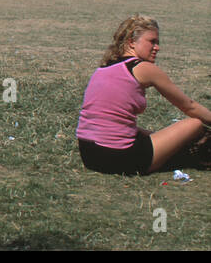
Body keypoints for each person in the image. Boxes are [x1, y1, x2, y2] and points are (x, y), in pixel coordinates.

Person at [76, 15, 211, 175]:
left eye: (158, 43)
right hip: (119, 157)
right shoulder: (144, 68)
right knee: (194, 124)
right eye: (152, 41)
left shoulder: (103, 69)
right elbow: (189, 105)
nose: (157, 47)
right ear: (132, 42)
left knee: (144, 132)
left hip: (89, 155)